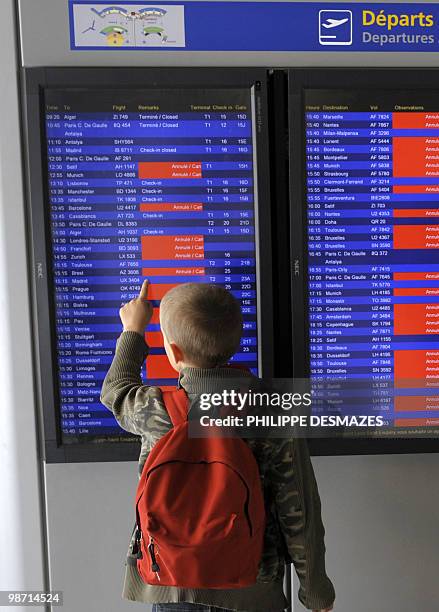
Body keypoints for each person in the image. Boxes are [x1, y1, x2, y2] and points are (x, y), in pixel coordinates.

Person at [100, 280, 335, 612]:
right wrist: (315, 591)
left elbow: (116, 390)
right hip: (252, 590)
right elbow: (298, 509)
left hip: (172, 586)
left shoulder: (156, 409)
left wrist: (133, 330)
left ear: (174, 351)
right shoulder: (272, 410)